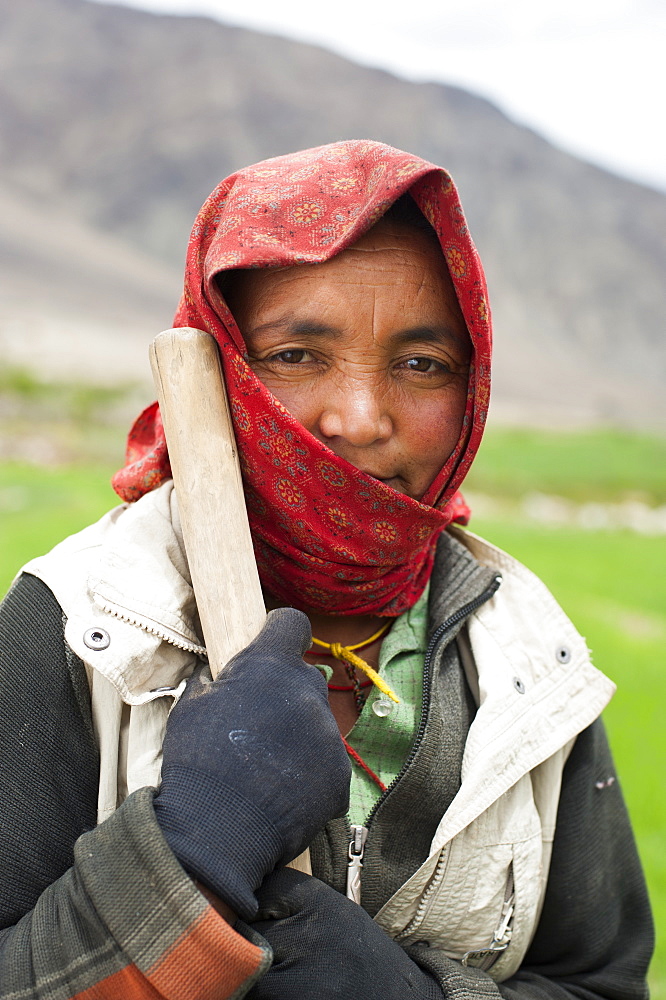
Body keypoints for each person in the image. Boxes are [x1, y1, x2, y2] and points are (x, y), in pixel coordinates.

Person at [0, 140, 653, 999]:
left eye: (422, 365)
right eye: (298, 355)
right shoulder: (78, 627)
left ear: (472, 390)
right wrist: (190, 850)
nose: (360, 417)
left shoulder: (530, 661)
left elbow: (600, 983)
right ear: (224, 366)